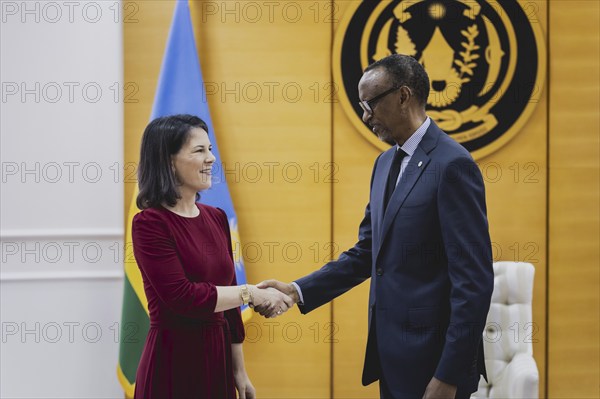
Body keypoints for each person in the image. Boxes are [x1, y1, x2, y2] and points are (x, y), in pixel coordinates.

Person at [257, 54, 494, 398]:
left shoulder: (453, 164)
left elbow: (474, 282)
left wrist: (450, 375)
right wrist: (296, 291)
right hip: (392, 359)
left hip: (435, 367)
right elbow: (367, 252)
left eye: (369, 104)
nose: (365, 116)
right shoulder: (385, 163)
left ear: (402, 96)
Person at [132, 114, 293, 399]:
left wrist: (239, 371)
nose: (211, 159)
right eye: (199, 151)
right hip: (173, 362)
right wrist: (251, 293)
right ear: (168, 160)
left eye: (210, 149)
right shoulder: (149, 223)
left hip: (217, 360)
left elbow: (230, 308)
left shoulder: (216, 217)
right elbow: (183, 297)